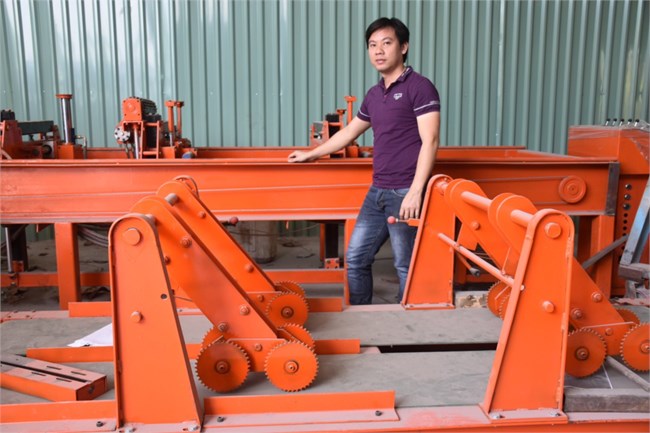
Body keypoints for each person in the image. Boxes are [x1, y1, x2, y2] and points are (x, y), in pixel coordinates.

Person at [288, 17, 441, 305]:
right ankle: (363, 317)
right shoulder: (374, 94)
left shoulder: (420, 87)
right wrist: (311, 154)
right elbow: (349, 133)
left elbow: (430, 141)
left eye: (387, 43)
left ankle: (408, 322)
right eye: (372, 45)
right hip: (378, 190)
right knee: (356, 259)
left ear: (404, 47)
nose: (378, 50)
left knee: (406, 265)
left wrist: (415, 191)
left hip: (404, 191)